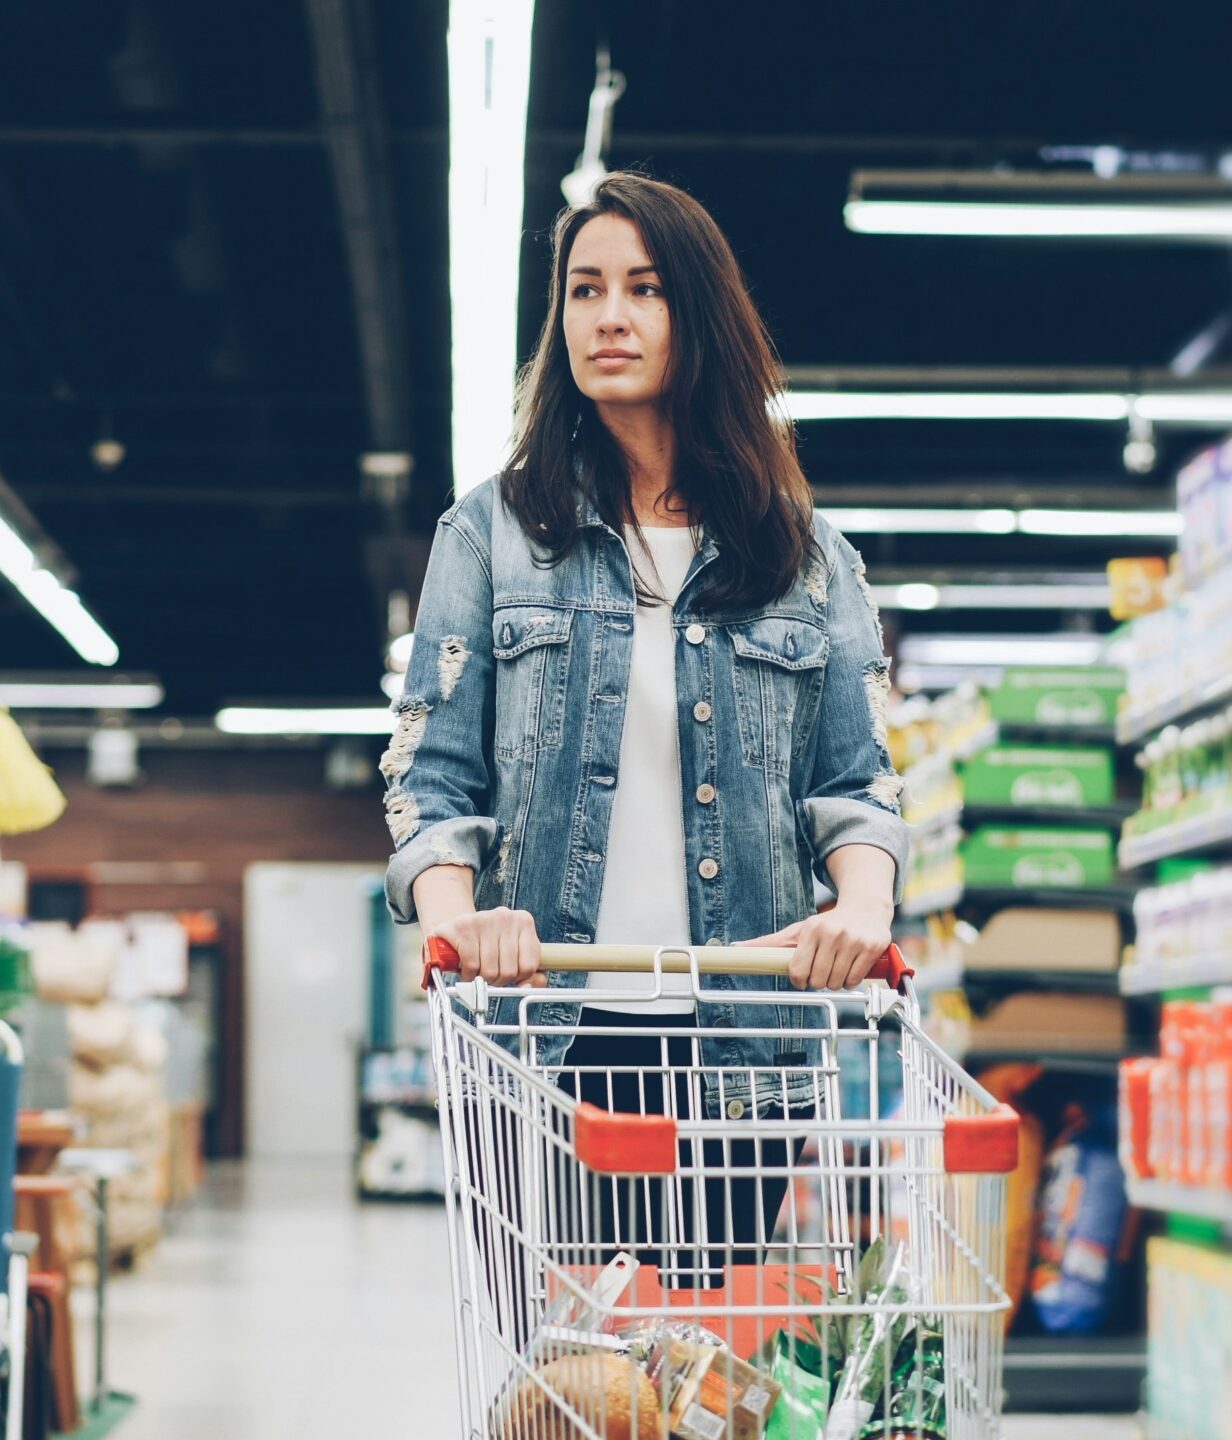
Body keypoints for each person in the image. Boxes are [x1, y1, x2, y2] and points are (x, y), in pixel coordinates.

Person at [379, 172, 907, 1280]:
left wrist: (860, 908)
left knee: (698, 1375)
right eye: (582, 290)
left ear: (698, 317)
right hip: (542, 1038)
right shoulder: (494, 533)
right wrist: (460, 917)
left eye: (643, 289)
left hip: (742, 1044)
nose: (606, 316)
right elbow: (430, 775)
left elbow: (856, 785)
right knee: (564, 1385)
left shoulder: (807, 559)